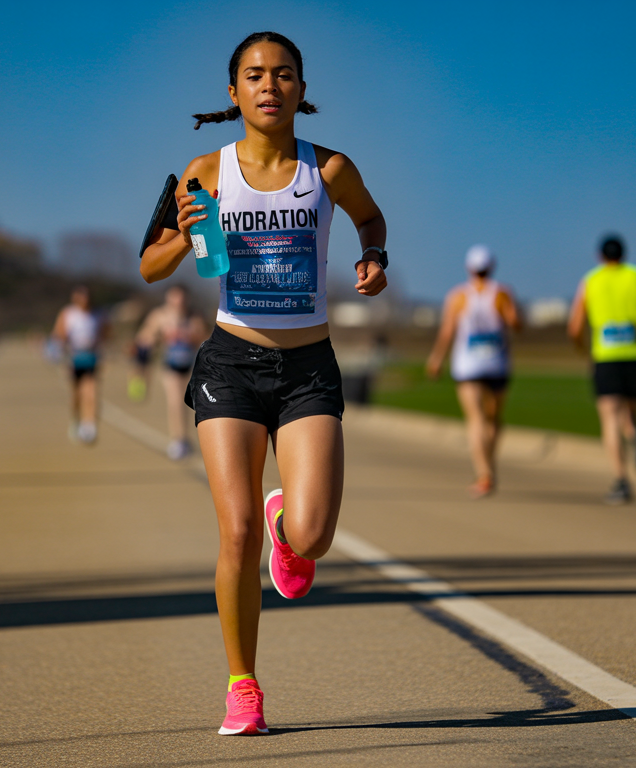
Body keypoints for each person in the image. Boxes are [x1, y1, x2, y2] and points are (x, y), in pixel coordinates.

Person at [139, 31, 388, 736]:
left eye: (283, 75)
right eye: (255, 75)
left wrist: (374, 254)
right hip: (231, 364)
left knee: (310, 535)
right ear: (234, 92)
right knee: (235, 531)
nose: (269, 86)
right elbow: (149, 267)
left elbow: (370, 217)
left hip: (309, 368)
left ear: (302, 90)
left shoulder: (330, 169)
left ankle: (289, 528)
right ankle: (242, 684)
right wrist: (185, 234)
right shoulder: (205, 171)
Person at [567, 234, 636, 504]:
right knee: (632, 409)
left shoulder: (590, 280)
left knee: (610, 415)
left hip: (606, 355)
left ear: (599, 256)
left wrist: (580, 346)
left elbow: (574, 325)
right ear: (624, 254)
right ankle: (635, 434)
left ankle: (621, 479)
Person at [426, 245, 521, 497]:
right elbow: (516, 323)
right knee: (494, 420)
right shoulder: (502, 293)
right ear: (492, 267)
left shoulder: (458, 296)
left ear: (469, 268)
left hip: (468, 365)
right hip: (497, 364)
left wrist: (436, 359)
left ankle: (484, 473)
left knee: (476, 419)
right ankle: (488, 465)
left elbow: (448, 330)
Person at [135, 285, 210, 460]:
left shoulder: (195, 317)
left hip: (192, 367)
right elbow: (144, 337)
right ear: (168, 299)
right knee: (175, 401)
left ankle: (190, 439)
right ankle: (179, 440)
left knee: (197, 404)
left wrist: (192, 336)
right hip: (170, 366)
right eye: (174, 298)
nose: (178, 302)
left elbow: (207, 338)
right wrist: (155, 339)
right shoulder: (159, 316)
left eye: (182, 298)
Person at [52, 286, 107, 444]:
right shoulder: (68, 314)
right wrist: (61, 350)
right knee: (76, 394)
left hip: (91, 356)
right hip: (74, 357)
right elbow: (59, 334)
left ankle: (89, 425)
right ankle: (75, 420)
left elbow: (106, 333)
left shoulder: (98, 314)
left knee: (91, 392)